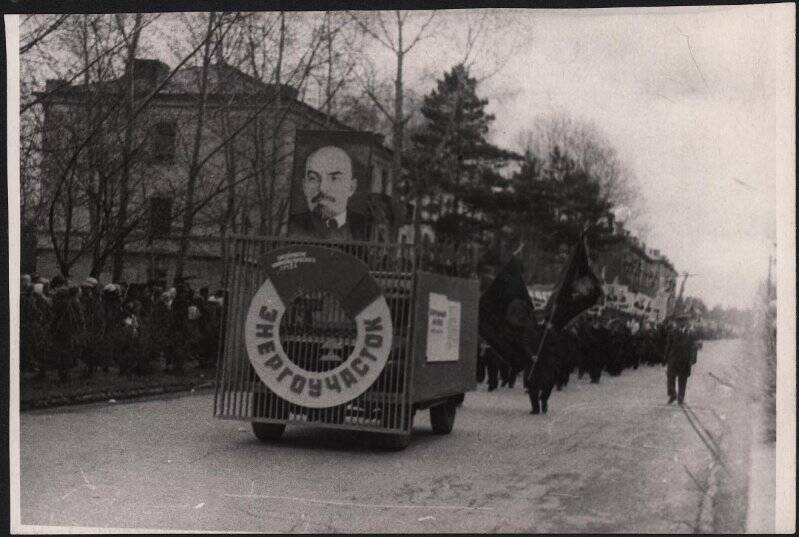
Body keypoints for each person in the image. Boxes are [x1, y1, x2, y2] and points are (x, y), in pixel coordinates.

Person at [287, 145, 368, 241]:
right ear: (305, 186)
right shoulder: (290, 226)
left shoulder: (366, 228)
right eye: (313, 178)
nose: (322, 188)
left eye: (334, 178)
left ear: (351, 187)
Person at [666, 316, 702, 405]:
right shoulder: (672, 332)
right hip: (673, 358)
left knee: (683, 379)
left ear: (686, 323)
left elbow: (695, 347)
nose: (680, 324)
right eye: (678, 322)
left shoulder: (692, 333)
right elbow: (668, 345)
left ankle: (681, 398)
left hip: (685, 360)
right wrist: (666, 357)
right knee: (670, 377)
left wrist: (693, 359)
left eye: (683, 322)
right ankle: (673, 394)